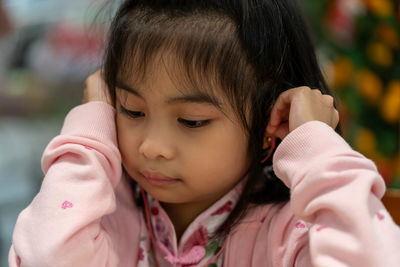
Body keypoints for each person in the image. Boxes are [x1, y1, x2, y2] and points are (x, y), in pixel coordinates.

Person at [9, 0, 400, 266]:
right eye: (131, 110)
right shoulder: (99, 216)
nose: (152, 147)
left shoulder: (290, 232)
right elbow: (45, 256)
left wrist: (314, 144)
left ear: (269, 119)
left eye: (192, 121)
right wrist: (89, 134)